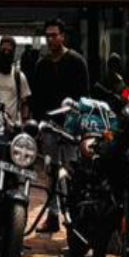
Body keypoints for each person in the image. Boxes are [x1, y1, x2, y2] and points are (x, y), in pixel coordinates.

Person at [27, 19, 90, 231]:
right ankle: (53, 216)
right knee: (52, 172)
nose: (51, 39)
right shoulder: (42, 65)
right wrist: (39, 125)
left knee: (72, 171)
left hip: (71, 127)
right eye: (48, 36)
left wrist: (81, 125)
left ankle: (75, 217)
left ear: (63, 36)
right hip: (50, 127)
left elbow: (84, 97)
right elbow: (36, 99)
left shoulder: (77, 62)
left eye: (54, 35)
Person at [0, 34, 31, 122]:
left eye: (9, 51)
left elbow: (25, 103)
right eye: (3, 50)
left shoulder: (19, 76)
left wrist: (25, 122)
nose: (6, 53)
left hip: (13, 126)